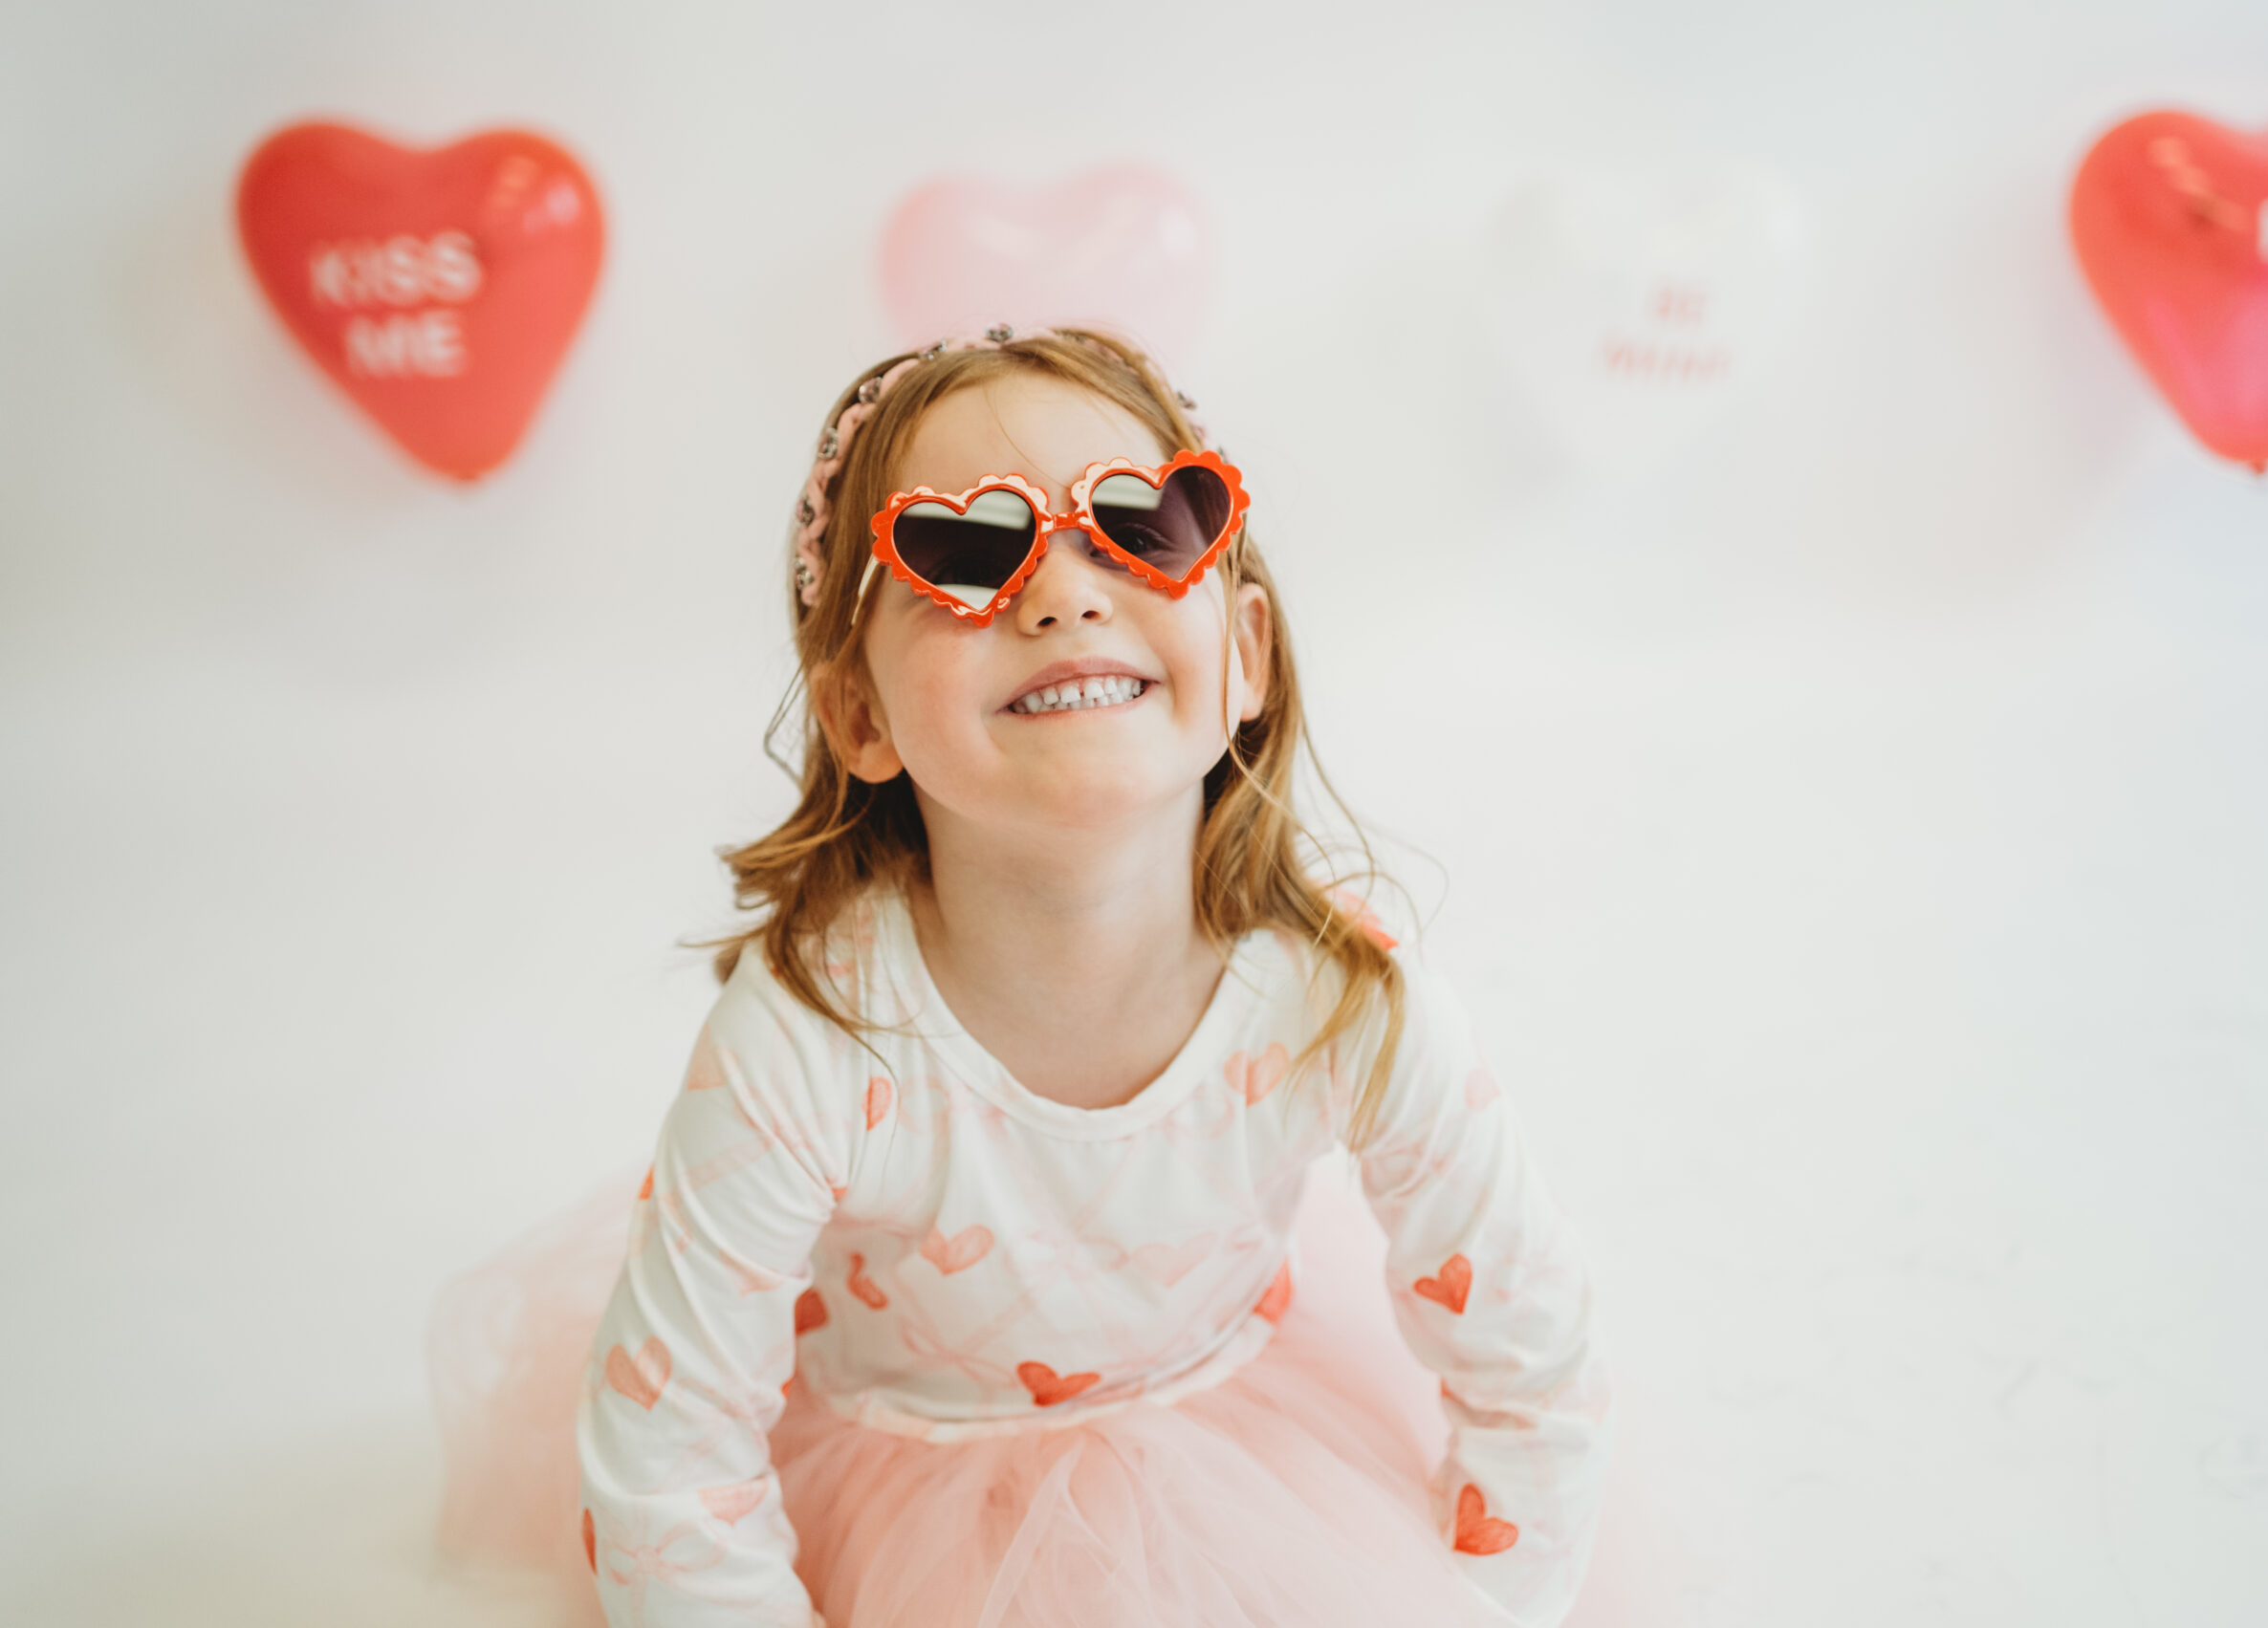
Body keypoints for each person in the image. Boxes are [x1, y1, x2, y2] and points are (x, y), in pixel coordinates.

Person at [426, 326, 1616, 1627]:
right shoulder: (810, 1045)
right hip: (911, 1491)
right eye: (964, 554)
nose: (1065, 594)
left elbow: (1534, 1364)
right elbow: (669, 1467)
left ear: (1248, 657)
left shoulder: (1345, 1000)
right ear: (862, 717)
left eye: (1142, 525)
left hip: (1245, 1464)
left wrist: (1495, 1606)